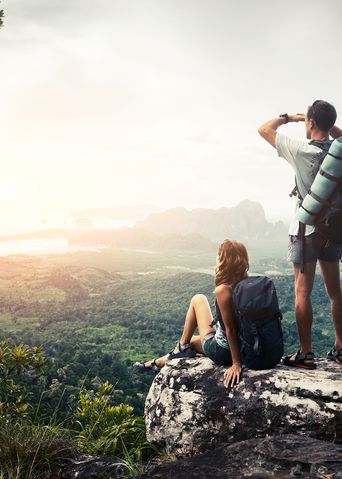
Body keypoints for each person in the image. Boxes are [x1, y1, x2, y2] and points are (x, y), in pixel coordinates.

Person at [258, 100, 342, 368]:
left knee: (302, 293)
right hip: (333, 230)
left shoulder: (301, 149)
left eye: (308, 120)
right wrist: (327, 126)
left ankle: (305, 353)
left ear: (311, 122)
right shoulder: (339, 152)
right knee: (335, 293)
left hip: (305, 229)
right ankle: (341, 348)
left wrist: (292, 118)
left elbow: (264, 129)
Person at [134, 239, 249, 387]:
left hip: (224, 352)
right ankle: (159, 362)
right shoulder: (248, 285)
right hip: (246, 347)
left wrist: (236, 363)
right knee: (193, 342)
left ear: (223, 261)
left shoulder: (224, 289)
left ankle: (179, 348)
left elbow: (231, 329)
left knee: (198, 299)